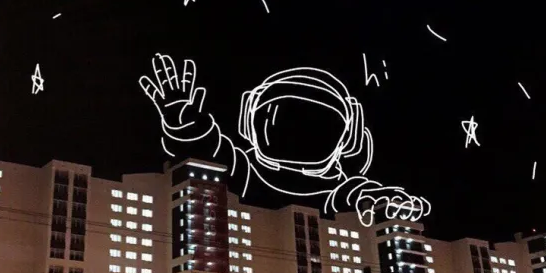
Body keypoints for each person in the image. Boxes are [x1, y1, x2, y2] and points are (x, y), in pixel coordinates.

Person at [139, 54, 430, 226]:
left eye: (318, 125)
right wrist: (186, 126)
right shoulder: (248, 173)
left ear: (348, 137)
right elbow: (212, 151)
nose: (298, 135)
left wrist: (376, 202)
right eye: (278, 117)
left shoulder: (341, 193)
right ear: (249, 123)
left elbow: (353, 196)